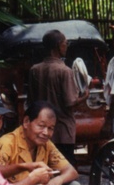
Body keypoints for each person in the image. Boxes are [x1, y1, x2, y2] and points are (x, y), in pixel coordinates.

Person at [27, 29, 84, 164]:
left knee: (44, 167)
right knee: (65, 167)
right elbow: (70, 102)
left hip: (41, 130)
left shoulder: (34, 70)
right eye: (65, 43)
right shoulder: (65, 71)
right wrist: (84, 97)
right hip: (62, 131)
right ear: (58, 45)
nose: (66, 46)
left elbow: (31, 101)